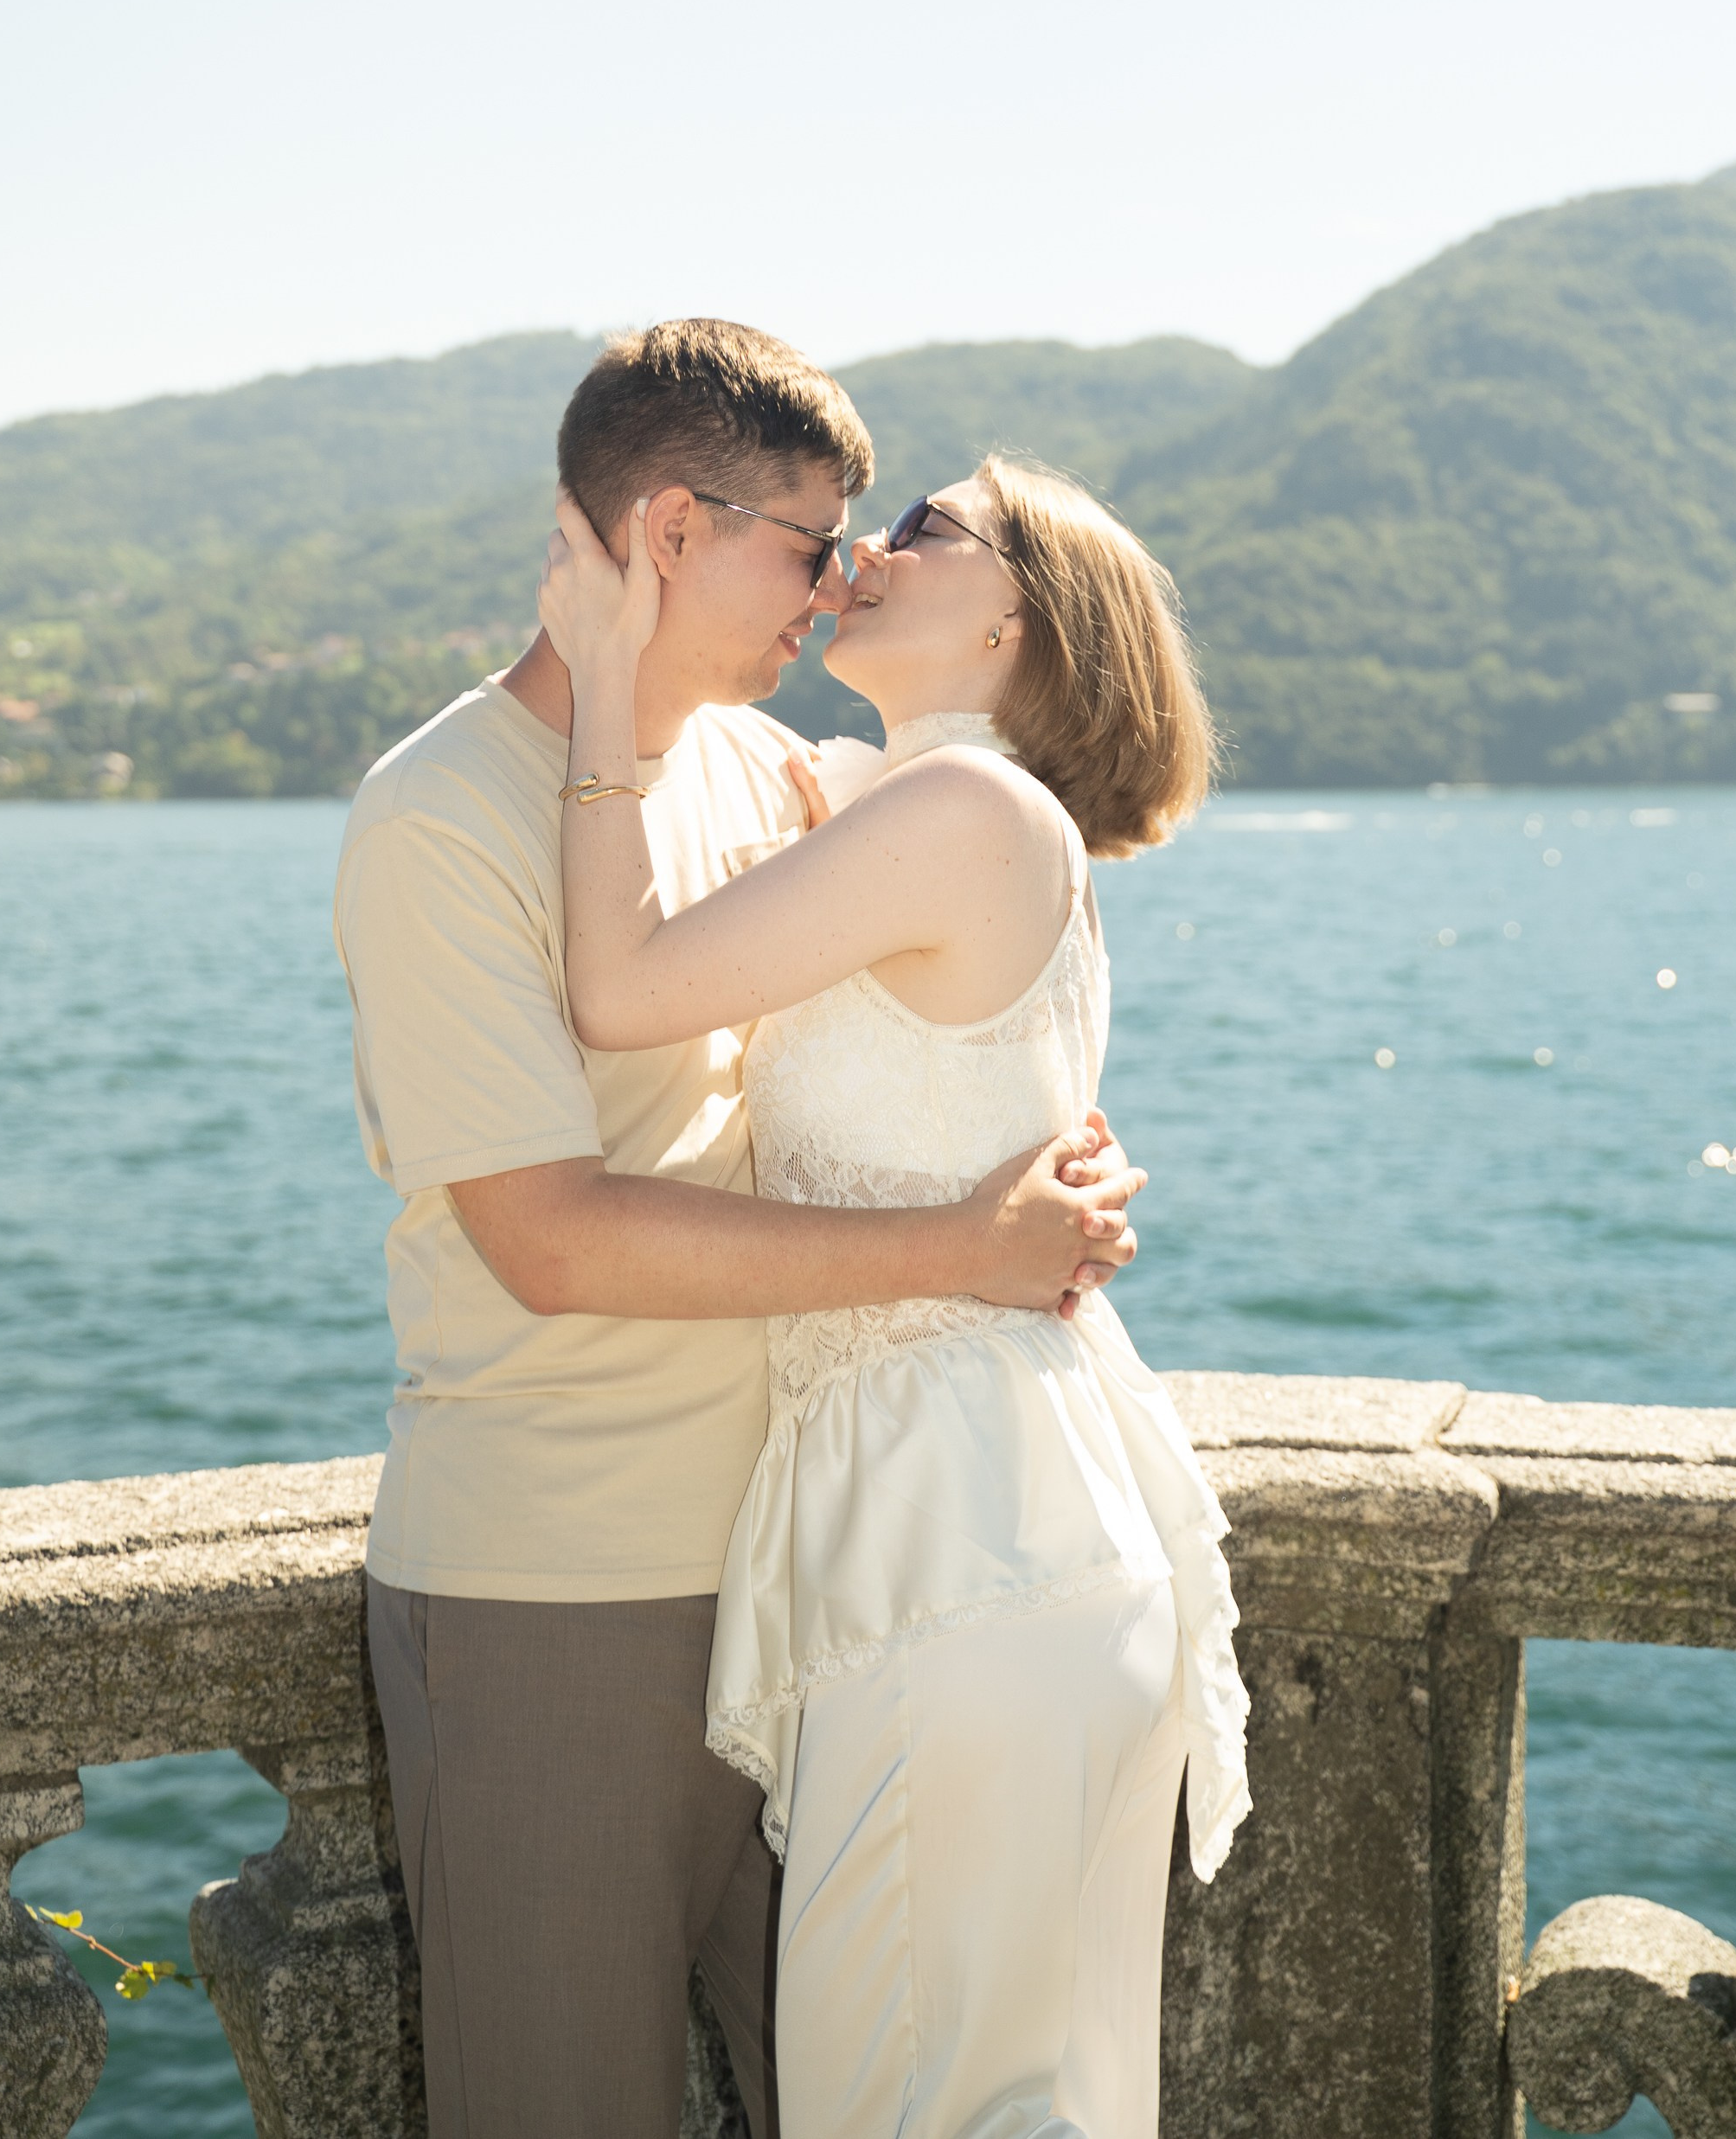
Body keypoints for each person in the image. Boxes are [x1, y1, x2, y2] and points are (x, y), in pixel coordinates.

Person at [336, 322, 1146, 2139]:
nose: (838, 577)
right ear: (666, 535)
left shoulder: (758, 778)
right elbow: (548, 1240)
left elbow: (949, 1003)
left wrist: (1036, 1159)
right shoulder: (439, 819)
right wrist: (964, 1245)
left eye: (868, 535)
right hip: (560, 1595)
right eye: (806, 539)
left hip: (825, 1582)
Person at [537, 452, 1251, 2139]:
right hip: (991, 1521)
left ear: (1018, 615)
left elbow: (620, 986)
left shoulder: (962, 815)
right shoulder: (924, 809)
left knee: (914, 2106)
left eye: (927, 527)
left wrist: (586, 688)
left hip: (964, 1537)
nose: (870, 544)